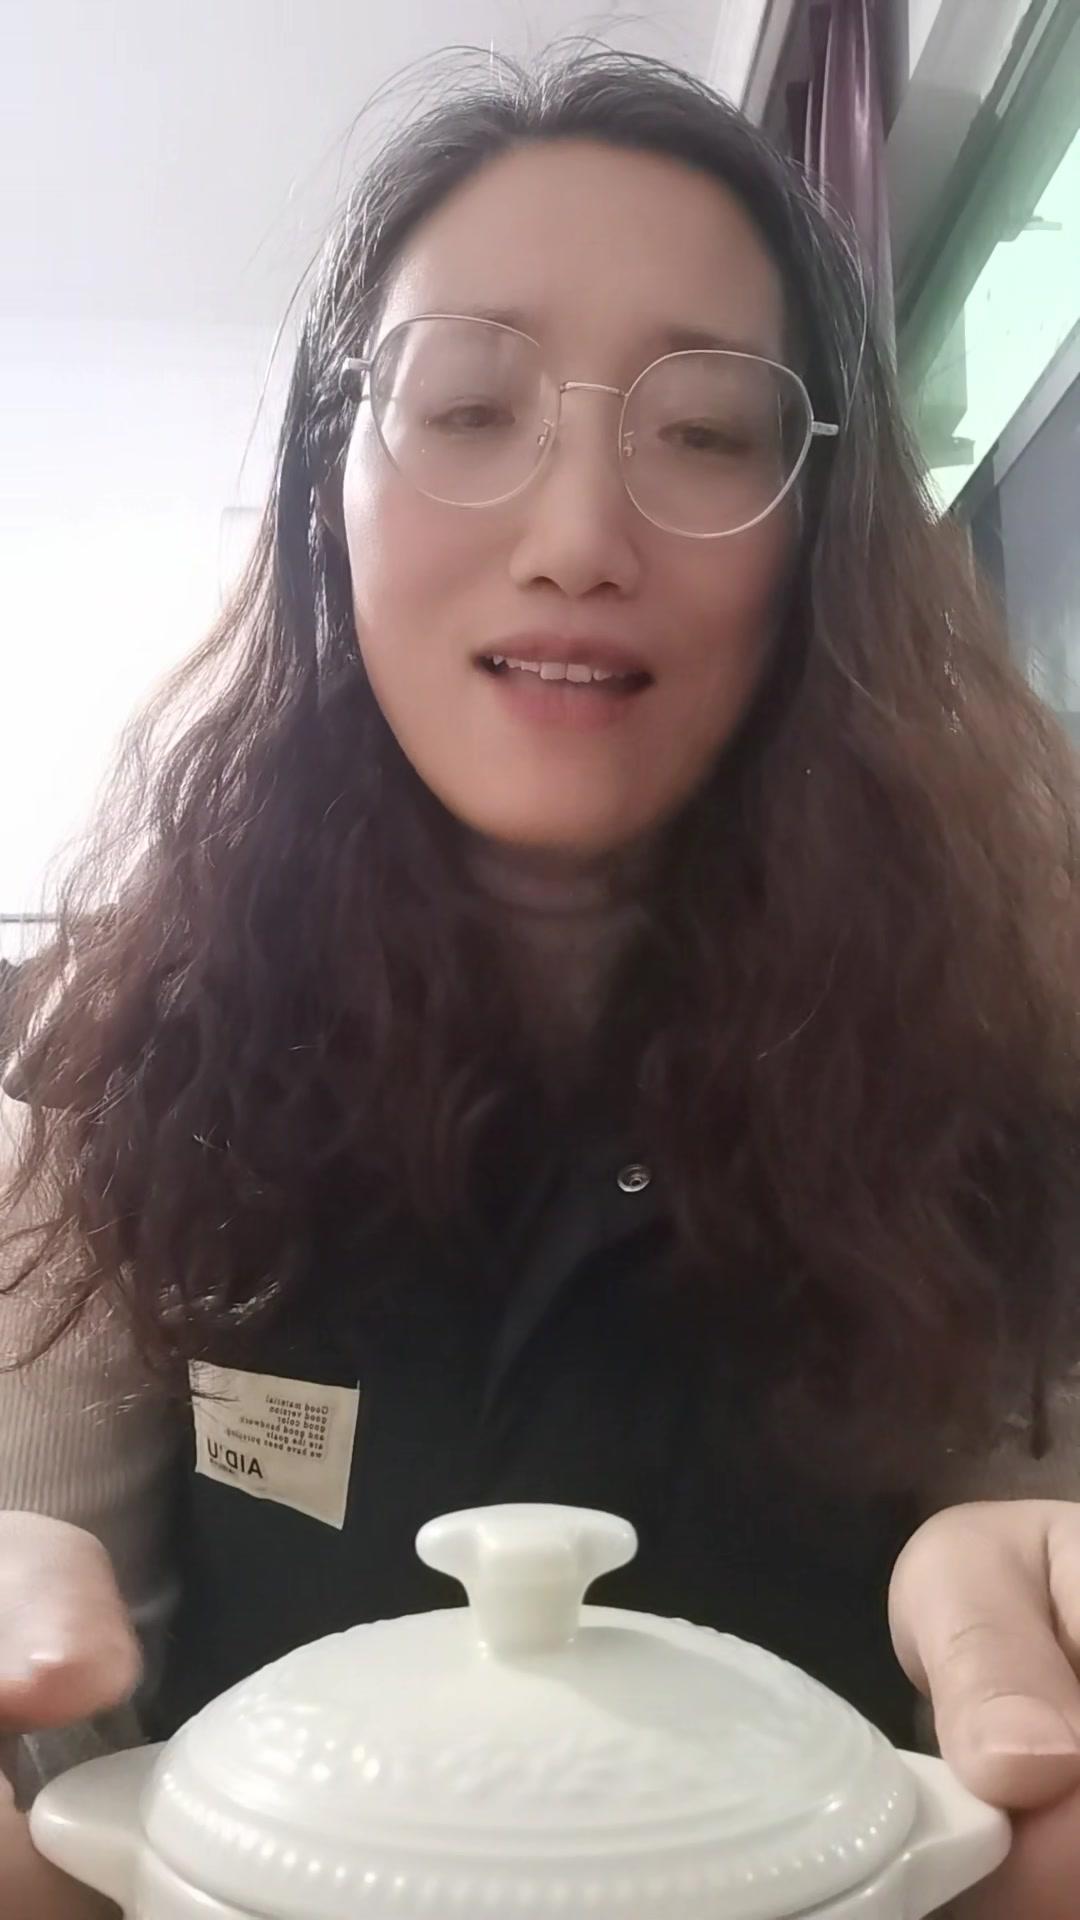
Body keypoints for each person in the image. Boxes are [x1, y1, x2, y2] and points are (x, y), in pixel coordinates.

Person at [2, 48, 1079, 1919]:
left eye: (709, 432)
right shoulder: (111, 1084)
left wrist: (1035, 1622)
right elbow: (60, 1688)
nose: (579, 541)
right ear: (328, 486)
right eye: (468, 405)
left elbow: (1026, 1584)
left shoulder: (1015, 1063)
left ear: (822, 529)